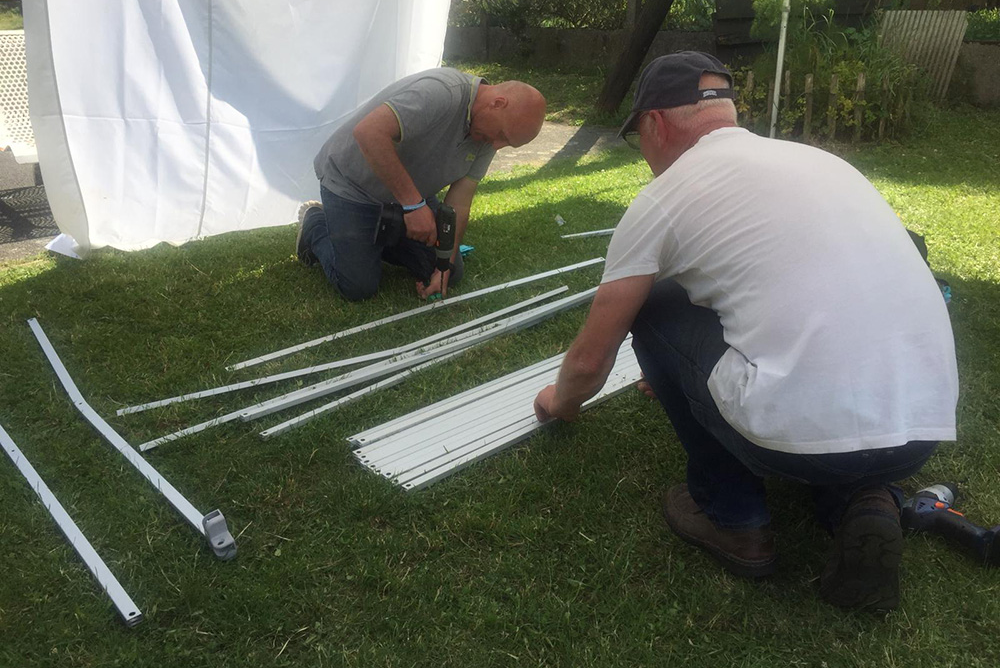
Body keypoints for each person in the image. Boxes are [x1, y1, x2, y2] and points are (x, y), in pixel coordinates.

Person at [532, 51, 958, 611]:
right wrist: (683, 373)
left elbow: (592, 358)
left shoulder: (666, 195)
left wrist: (560, 400)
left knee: (653, 305)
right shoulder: (822, 162)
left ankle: (733, 517)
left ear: (654, 123)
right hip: (921, 428)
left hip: (802, 444)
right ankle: (862, 497)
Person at [296, 67, 546, 301]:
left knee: (450, 273)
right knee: (358, 287)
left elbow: (460, 202)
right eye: (503, 136)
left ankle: (374, 240)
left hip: (408, 197)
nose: (497, 145)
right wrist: (414, 206)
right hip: (353, 186)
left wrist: (445, 264)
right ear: (497, 103)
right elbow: (368, 132)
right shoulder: (441, 92)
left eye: (508, 144)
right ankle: (315, 223)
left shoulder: (486, 136)